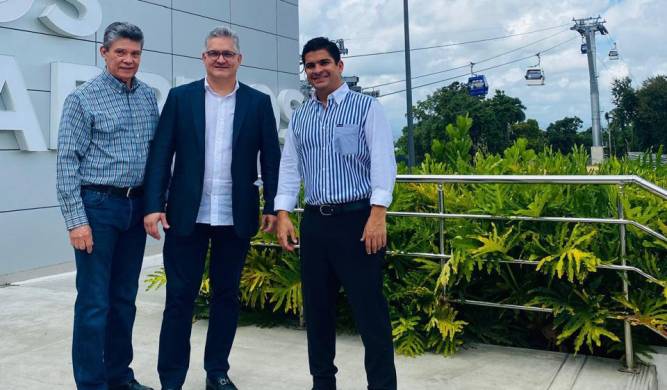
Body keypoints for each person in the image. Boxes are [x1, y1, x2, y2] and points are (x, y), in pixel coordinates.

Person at [142, 26, 281, 390]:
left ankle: (217, 371)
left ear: (239, 59)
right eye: (214, 53)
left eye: (228, 54)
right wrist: (153, 205)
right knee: (179, 299)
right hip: (185, 215)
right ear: (203, 58)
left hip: (236, 216)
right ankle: (171, 379)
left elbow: (271, 157)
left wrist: (274, 205)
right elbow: (161, 155)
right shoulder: (181, 98)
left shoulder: (257, 102)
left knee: (226, 296)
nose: (221, 59)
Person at [275, 37, 398, 390]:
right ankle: (323, 383)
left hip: (358, 222)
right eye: (310, 65)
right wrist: (283, 213)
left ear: (339, 66)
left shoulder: (366, 108)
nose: (317, 70)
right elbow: (289, 168)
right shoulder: (300, 116)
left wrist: (378, 214)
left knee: (370, 313)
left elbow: (382, 162)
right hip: (314, 223)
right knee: (317, 312)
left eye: (324, 63)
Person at [56, 22, 158, 390]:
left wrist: (155, 204)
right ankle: (91, 383)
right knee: (94, 304)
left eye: (135, 53)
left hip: (135, 208)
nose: (129, 60)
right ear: (104, 52)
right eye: (121, 52)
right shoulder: (82, 99)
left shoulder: (148, 97)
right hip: (97, 208)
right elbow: (67, 161)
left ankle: (119, 376)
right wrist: (75, 221)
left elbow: (156, 155)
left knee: (124, 301)